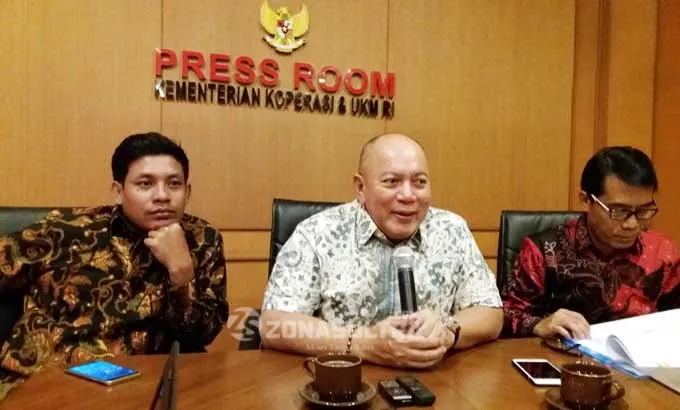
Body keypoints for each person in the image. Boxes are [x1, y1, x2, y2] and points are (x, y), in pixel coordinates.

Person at [0, 132, 228, 400]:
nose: (162, 196)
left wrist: (181, 274)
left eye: (174, 184)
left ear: (187, 192)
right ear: (118, 192)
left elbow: (202, 335)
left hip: (144, 390)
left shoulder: (202, 239)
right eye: (145, 184)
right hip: (43, 383)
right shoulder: (65, 231)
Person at [260, 133, 503, 368]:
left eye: (419, 182)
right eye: (391, 182)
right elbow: (274, 325)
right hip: (343, 382)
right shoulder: (316, 233)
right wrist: (364, 344)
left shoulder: (452, 230)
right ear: (361, 187)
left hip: (436, 380)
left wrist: (448, 330)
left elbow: (491, 313)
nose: (408, 195)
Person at [502, 146, 680, 339]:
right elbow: (505, 314)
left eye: (643, 211)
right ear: (586, 200)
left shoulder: (663, 252)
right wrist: (538, 324)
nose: (632, 224)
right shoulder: (545, 251)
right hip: (562, 354)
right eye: (619, 211)